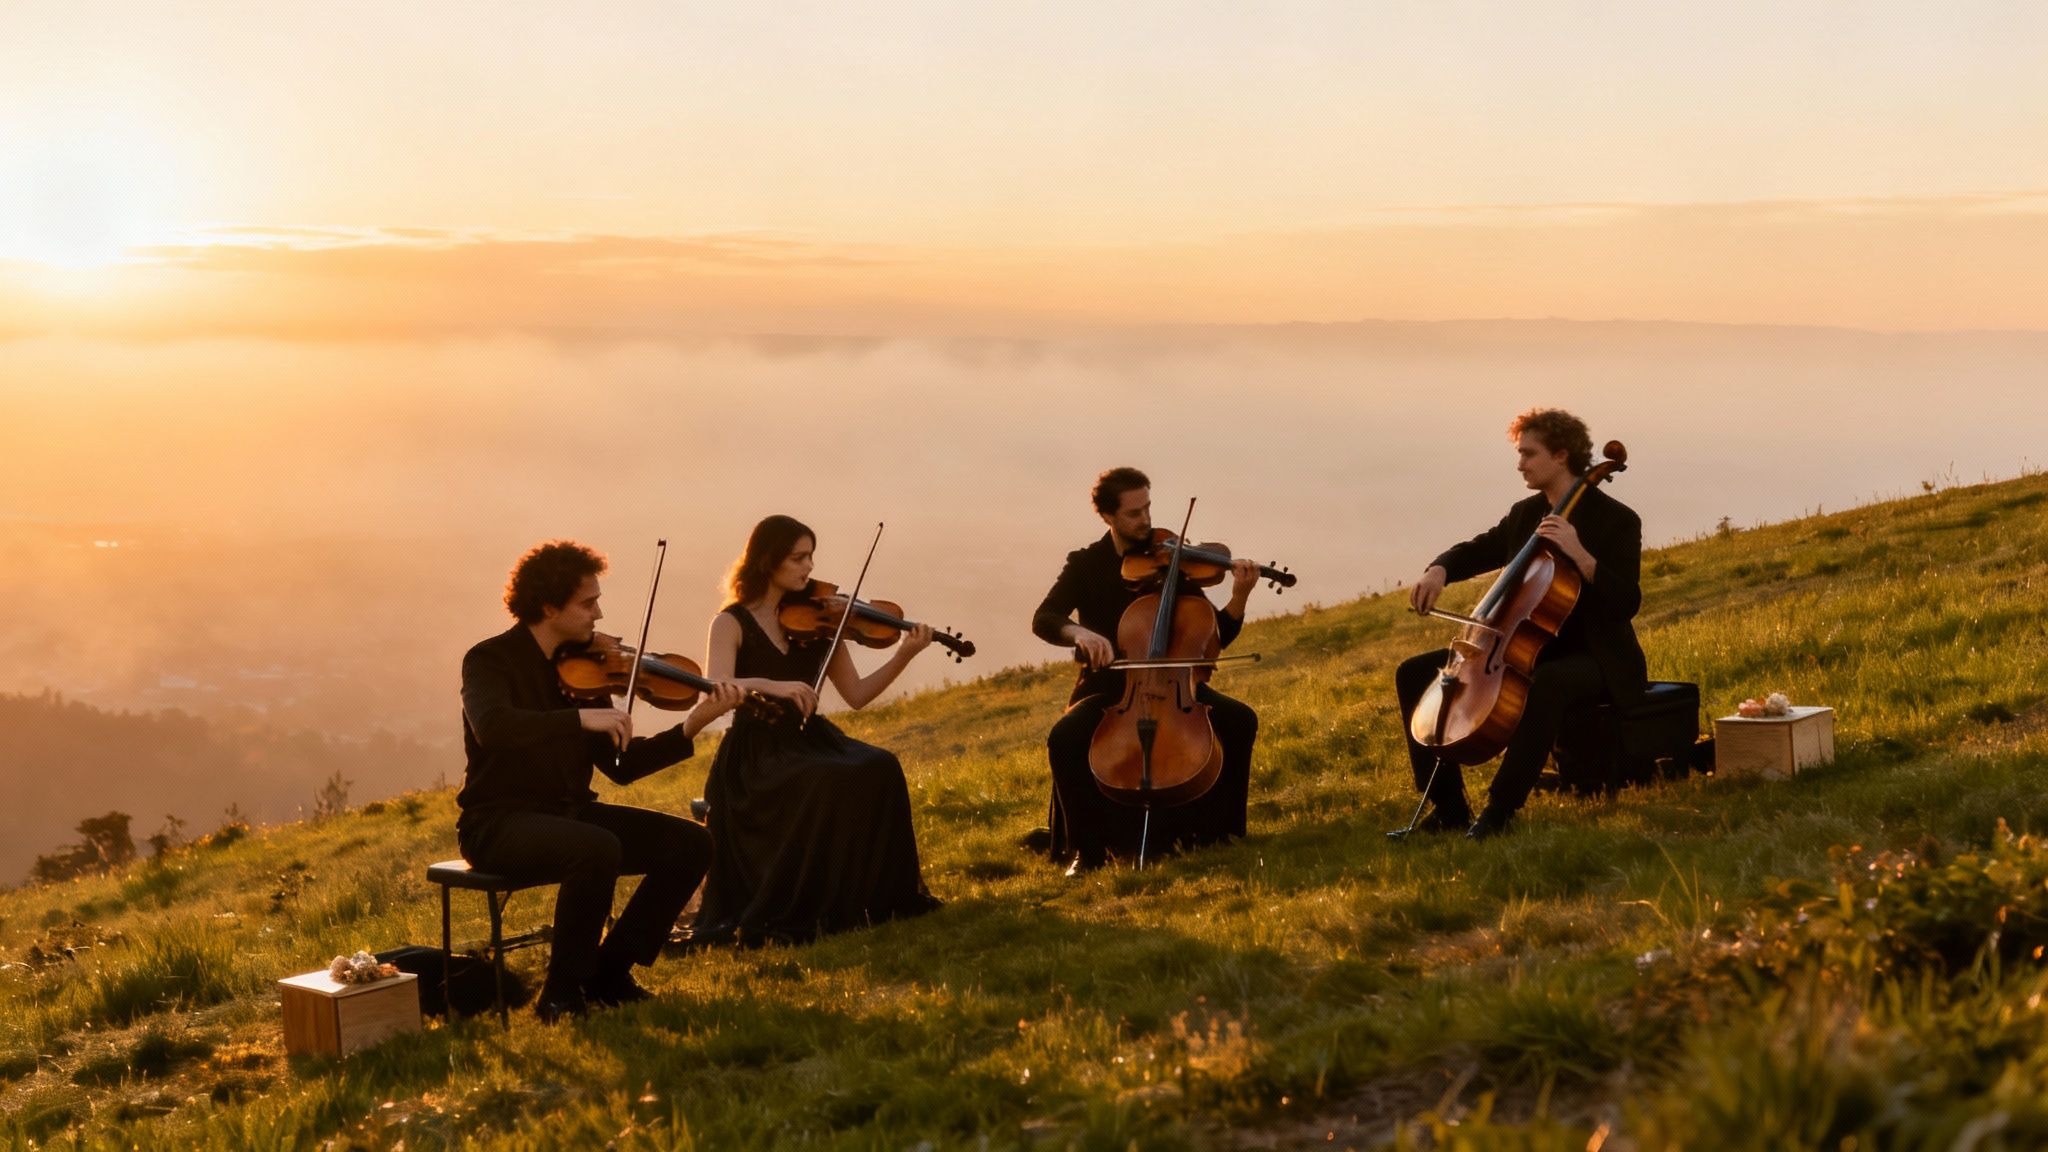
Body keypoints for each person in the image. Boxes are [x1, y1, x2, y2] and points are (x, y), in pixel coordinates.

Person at [458, 540, 742, 1022]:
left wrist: (691, 725)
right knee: (595, 847)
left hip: (569, 814)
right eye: (587, 603)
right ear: (549, 607)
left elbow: (621, 768)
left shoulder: (584, 668)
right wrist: (579, 722)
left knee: (691, 844)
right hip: (497, 823)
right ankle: (560, 996)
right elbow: (495, 728)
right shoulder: (488, 660)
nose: (599, 613)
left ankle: (609, 973)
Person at [686, 515, 940, 945]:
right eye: (798, 558)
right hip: (757, 753)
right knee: (828, 778)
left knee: (880, 765)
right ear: (768, 562)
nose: (809, 567)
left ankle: (871, 897)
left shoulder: (822, 619)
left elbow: (857, 694)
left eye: (810, 557)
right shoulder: (729, 622)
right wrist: (771, 684)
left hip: (809, 737)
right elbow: (713, 688)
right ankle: (810, 904)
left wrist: (905, 655)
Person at [1394, 408, 1647, 840]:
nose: (1520, 464)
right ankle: (1449, 807)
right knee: (1415, 672)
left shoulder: (1617, 519)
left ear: (1561, 455)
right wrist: (1438, 569)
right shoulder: (1525, 514)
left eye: (1529, 454)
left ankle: (1500, 810)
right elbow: (1478, 550)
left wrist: (1581, 555)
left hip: (1594, 656)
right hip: (1521, 645)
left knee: (1545, 682)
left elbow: (1626, 602)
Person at [1031, 467, 1263, 871]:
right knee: (1065, 736)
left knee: (1240, 720)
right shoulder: (1086, 564)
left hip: (1174, 686)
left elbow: (1212, 635)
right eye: (1134, 514)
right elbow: (1045, 617)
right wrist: (1079, 634)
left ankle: (1224, 833)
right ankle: (1086, 852)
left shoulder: (1171, 561)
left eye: (1148, 508)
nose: (1146, 520)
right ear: (1107, 517)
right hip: (1108, 689)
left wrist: (1239, 597)